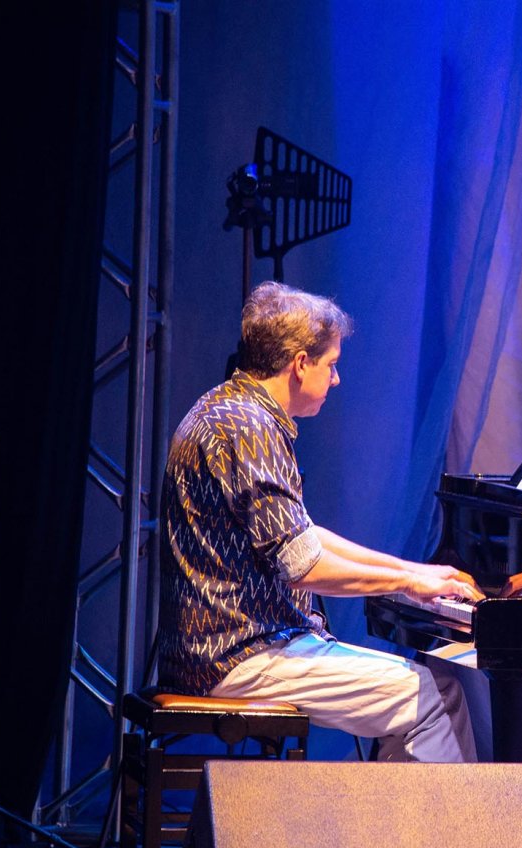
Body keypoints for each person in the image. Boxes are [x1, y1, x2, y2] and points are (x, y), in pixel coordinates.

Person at [157, 281, 485, 762]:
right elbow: (303, 566)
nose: (336, 380)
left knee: (430, 688)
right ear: (300, 363)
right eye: (331, 365)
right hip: (237, 656)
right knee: (435, 696)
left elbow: (304, 536)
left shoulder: (233, 410)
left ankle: (396, 814)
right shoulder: (249, 428)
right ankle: (428, 818)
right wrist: (407, 583)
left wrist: (415, 572)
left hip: (226, 647)